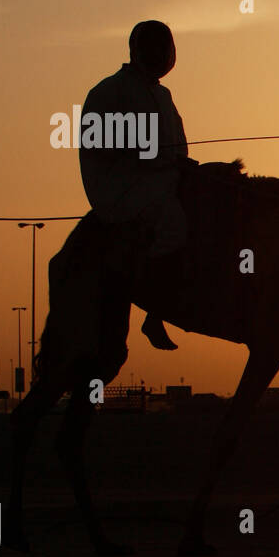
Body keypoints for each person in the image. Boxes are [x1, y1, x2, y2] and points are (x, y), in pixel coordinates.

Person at [79, 20, 190, 350]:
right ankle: (156, 310)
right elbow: (106, 147)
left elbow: (177, 147)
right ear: (138, 50)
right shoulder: (109, 91)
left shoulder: (162, 94)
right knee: (174, 222)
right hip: (119, 189)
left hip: (159, 178)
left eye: (165, 47)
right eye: (153, 47)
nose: (160, 54)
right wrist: (162, 161)